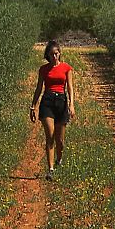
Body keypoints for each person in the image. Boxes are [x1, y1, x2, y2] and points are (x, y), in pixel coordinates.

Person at [30, 40, 76, 181]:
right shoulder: (43, 69)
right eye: (51, 54)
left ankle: (59, 159)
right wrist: (33, 106)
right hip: (47, 102)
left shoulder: (66, 68)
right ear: (48, 56)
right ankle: (50, 169)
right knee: (50, 136)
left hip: (61, 102)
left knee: (60, 140)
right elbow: (39, 88)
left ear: (59, 53)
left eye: (56, 54)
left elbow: (70, 88)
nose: (54, 57)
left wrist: (71, 104)